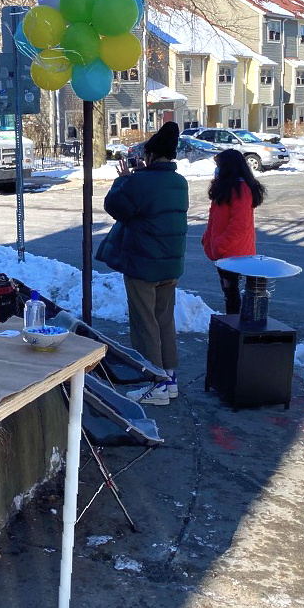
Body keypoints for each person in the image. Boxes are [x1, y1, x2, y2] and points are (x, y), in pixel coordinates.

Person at [96, 121, 188, 406]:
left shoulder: (139, 182)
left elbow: (114, 206)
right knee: (164, 320)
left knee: (144, 322)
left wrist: (123, 179)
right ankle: (169, 379)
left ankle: (154, 383)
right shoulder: (179, 182)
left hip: (143, 265)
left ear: (150, 155)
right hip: (171, 266)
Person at [202, 149, 267, 313]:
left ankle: (235, 327)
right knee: (229, 293)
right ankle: (233, 324)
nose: (216, 170)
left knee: (232, 296)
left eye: (219, 166)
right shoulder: (226, 187)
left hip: (233, 252)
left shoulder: (240, 189)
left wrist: (219, 245)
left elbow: (238, 225)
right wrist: (207, 239)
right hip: (225, 252)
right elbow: (215, 219)